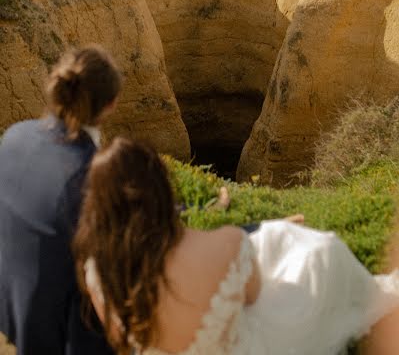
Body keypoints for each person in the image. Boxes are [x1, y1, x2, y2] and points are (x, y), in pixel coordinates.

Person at [75, 138, 399, 355]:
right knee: (319, 255)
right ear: (162, 190)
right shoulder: (224, 243)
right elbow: (254, 295)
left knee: (275, 240)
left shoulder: (97, 273)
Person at [0, 46, 121, 355]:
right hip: (56, 333)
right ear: (110, 105)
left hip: (10, 305)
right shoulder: (90, 176)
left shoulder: (15, 135)